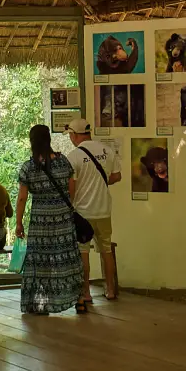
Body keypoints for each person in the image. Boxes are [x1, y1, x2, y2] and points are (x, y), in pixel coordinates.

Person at [15, 125, 82, 316]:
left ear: (32, 142)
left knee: (40, 262)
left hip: (40, 222)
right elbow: (71, 189)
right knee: (67, 258)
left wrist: (18, 222)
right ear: (49, 140)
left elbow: (22, 198)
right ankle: (79, 299)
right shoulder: (63, 162)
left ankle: (40, 304)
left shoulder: (29, 167)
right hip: (63, 218)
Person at [65, 118, 122, 307]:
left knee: (83, 252)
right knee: (106, 250)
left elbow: (71, 187)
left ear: (74, 135)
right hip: (104, 209)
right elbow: (116, 176)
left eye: (71, 135)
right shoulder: (107, 150)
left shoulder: (73, 156)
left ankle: (86, 292)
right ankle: (111, 290)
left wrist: (69, 206)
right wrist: (100, 183)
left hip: (83, 212)